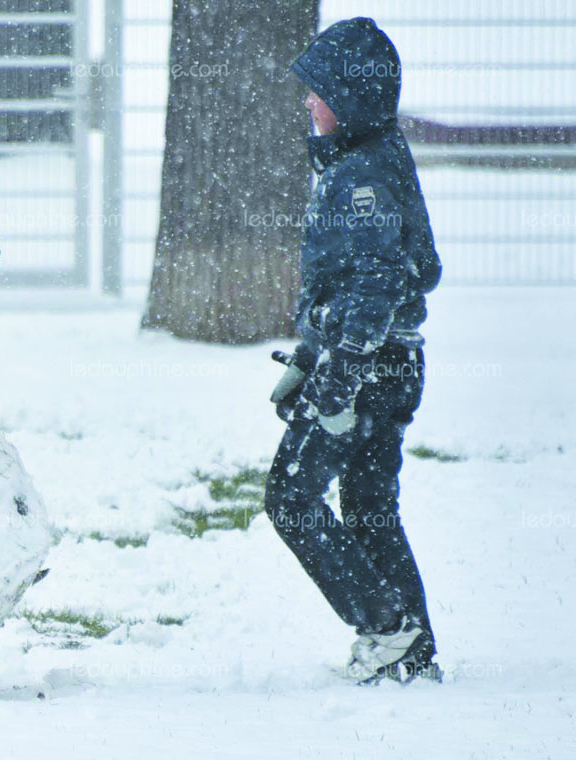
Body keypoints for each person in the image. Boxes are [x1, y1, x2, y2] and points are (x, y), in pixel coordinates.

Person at [264, 17, 443, 684]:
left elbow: (375, 284)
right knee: (369, 509)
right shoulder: (372, 159)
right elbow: (372, 283)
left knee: (289, 496)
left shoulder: (359, 177)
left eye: (318, 91)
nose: (308, 104)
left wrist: (335, 382)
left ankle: (385, 629)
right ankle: (412, 653)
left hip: (365, 368)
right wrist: (311, 358)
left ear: (349, 97)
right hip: (389, 363)